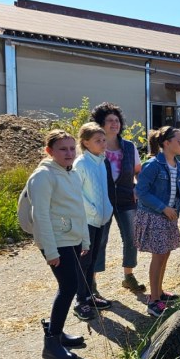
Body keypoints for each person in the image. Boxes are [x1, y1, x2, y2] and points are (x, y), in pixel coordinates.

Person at [27, 130, 90, 359]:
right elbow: (40, 215)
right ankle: (51, 343)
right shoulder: (43, 176)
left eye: (72, 148)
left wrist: (85, 238)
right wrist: (51, 251)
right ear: (49, 151)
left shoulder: (70, 172)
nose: (69, 153)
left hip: (70, 238)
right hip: (55, 240)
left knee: (69, 285)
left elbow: (77, 208)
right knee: (69, 286)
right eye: (63, 149)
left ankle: (57, 331)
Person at [134, 126, 180, 317]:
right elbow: (141, 192)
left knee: (165, 255)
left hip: (169, 217)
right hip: (155, 216)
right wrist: (163, 207)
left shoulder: (179, 164)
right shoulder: (153, 165)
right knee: (158, 257)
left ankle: (159, 292)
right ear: (167, 143)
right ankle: (153, 301)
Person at [91, 102, 146, 294]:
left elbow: (138, 172)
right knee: (99, 241)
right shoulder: (94, 146)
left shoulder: (130, 147)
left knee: (132, 238)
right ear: (100, 123)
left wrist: (139, 188)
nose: (114, 124)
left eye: (117, 120)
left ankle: (128, 276)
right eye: (109, 120)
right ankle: (92, 283)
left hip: (126, 199)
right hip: (100, 200)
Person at [72, 122, 115, 320]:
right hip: (87, 221)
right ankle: (80, 301)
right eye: (98, 140)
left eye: (104, 139)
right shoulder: (81, 163)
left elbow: (104, 190)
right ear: (86, 143)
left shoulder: (101, 161)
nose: (103, 143)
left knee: (93, 259)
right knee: (83, 261)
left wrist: (107, 209)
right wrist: (94, 210)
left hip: (100, 219)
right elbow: (77, 193)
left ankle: (89, 295)